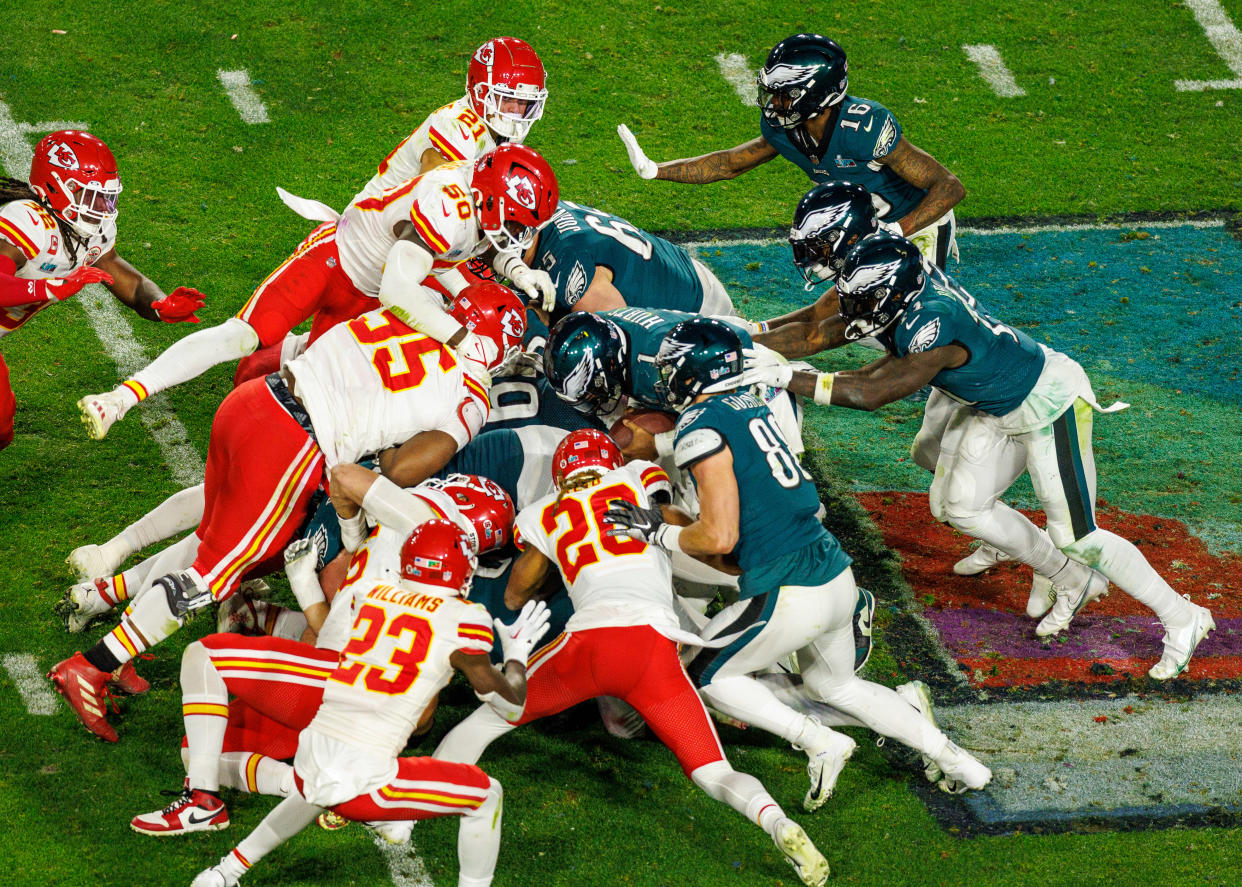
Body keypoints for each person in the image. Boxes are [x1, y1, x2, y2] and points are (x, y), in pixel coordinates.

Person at [48, 283, 526, 742]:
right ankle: (92, 666)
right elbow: (403, 470)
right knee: (212, 576)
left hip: (255, 400)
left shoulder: (414, 308)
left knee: (209, 535)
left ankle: (124, 630)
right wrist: (382, 446)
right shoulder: (471, 390)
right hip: (293, 443)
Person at [752, 233, 1216, 679]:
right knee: (957, 506)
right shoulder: (901, 291)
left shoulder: (931, 323)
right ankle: (1071, 579)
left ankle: (1182, 615)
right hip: (993, 403)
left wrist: (788, 378)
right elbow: (822, 331)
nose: (855, 311)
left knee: (1079, 535)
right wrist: (746, 343)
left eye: (866, 301)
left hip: (1046, 403)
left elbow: (874, 389)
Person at [606, 317, 992, 809]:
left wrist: (657, 531)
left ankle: (819, 741)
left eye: (670, 367)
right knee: (835, 685)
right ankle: (961, 762)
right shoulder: (747, 401)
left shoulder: (700, 427)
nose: (664, 376)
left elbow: (720, 535)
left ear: (692, 370)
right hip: (832, 570)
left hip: (788, 585)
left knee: (702, 676)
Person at [435, 429, 831, 887]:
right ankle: (774, 821)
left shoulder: (543, 512)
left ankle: (423, 799)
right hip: (653, 645)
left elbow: (515, 591)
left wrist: (560, 564)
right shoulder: (637, 477)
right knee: (713, 771)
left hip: (589, 644)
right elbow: (685, 529)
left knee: (489, 719)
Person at [77, 144, 557, 439]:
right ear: (488, 197)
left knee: (319, 398)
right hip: (336, 261)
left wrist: (516, 269)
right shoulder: (448, 203)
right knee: (242, 335)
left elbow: (483, 240)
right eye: (515, 221)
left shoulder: (479, 201)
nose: (518, 233)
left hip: (371, 291)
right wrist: (458, 336)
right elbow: (398, 288)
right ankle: (121, 397)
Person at [187, 520, 551, 887]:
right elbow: (510, 706)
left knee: (319, 786)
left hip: (311, 754)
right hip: (368, 782)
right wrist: (517, 655)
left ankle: (223, 873)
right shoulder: (465, 619)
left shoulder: (372, 592)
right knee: (487, 795)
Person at [618, 33, 963, 264]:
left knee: (905, 314)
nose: (776, 102)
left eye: (786, 93)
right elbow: (729, 164)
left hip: (918, 223)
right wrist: (656, 169)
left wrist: (898, 230)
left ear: (819, 93)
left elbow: (949, 187)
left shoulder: (864, 128)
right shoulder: (784, 130)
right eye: (774, 91)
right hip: (861, 228)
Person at [0, 130, 204, 448]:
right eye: (89, 194)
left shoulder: (91, 230)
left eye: (106, 195)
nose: (102, 205)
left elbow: (120, 274)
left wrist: (159, 305)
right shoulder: (29, 221)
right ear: (54, 185)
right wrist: (54, 287)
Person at [514, 199, 734, 316]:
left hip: (696, 308)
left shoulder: (570, 271)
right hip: (675, 269)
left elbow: (624, 337)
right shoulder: (539, 212)